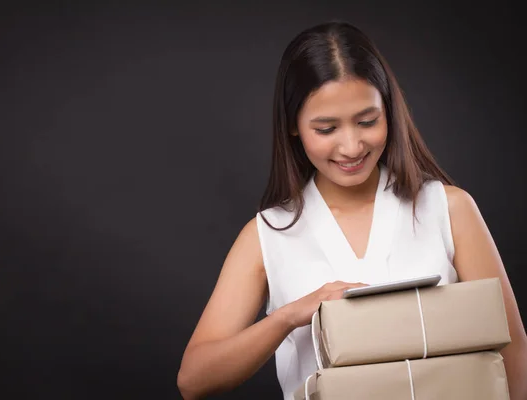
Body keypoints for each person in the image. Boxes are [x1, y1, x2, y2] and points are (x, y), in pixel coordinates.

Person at [176, 21, 527, 400]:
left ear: (389, 111)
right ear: (293, 127)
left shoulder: (450, 208)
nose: (352, 146)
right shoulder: (267, 234)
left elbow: (512, 348)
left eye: (367, 121)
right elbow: (194, 379)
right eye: (326, 129)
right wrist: (289, 317)